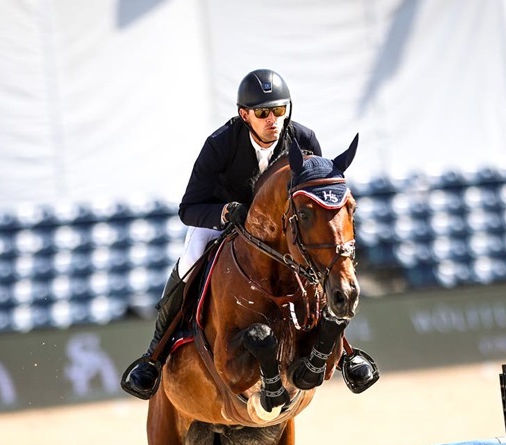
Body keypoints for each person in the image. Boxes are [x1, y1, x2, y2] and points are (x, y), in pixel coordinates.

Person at [121, 69, 378, 400]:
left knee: (317, 268)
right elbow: (188, 208)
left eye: (279, 110)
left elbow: (313, 197)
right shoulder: (220, 144)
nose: (272, 120)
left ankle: (343, 352)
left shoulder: (304, 139)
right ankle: (154, 356)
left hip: (281, 229)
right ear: (245, 114)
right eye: (262, 113)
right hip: (223, 220)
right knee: (190, 260)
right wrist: (226, 211)